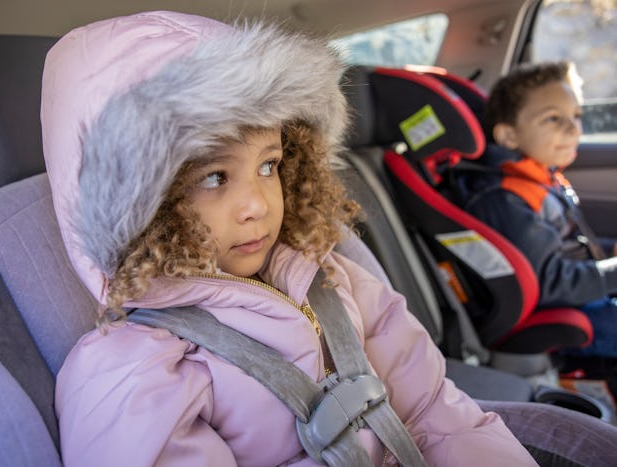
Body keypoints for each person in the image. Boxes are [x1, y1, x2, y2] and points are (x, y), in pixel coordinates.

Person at [41, 10, 537, 466]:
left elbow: (437, 410)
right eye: (214, 177)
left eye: (268, 165)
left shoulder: (332, 278)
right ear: (143, 202)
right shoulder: (137, 371)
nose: (258, 204)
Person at [455, 61, 617, 358]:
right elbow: (551, 284)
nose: (573, 128)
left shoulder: (540, 176)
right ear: (509, 136)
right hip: (559, 316)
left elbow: (568, 246)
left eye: (576, 116)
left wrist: (608, 252)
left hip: (580, 295)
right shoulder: (503, 197)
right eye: (554, 119)